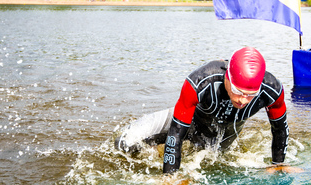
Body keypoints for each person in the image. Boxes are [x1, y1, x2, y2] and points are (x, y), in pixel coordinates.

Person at [115, 47, 289, 174]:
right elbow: (176, 132)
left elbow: (280, 129)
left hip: (227, 130)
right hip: (191, 118)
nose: (243, 100)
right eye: (237, 91)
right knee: (124, 143)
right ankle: (155, 149)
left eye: (251, 95)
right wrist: (171, 178)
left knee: (214, 166)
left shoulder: (272, 89)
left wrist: (277, 165)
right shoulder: (201, 81)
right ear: (227, 77)